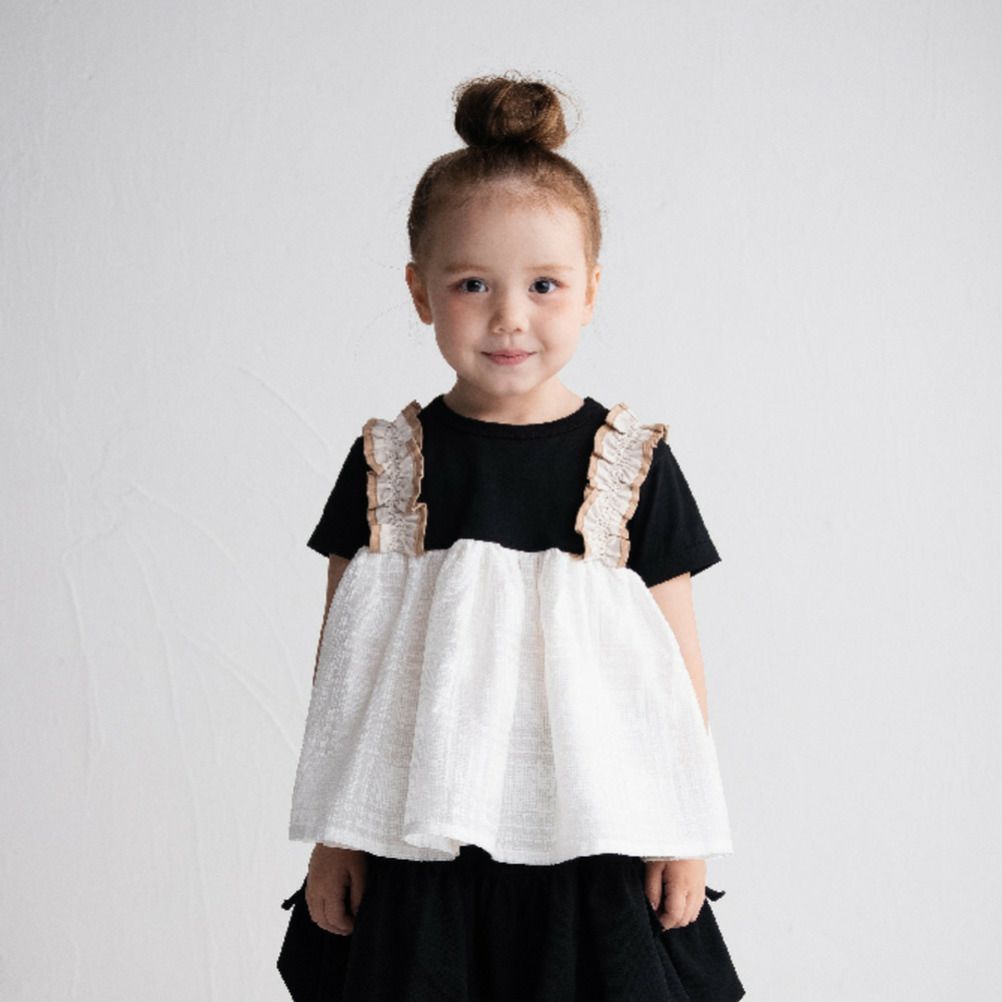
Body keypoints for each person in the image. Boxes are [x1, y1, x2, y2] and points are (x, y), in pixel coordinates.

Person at [281, 71, 746, 1001]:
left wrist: (683, 829)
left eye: (543, 284)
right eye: (472, 284)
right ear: (420, 291)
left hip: (592, 834)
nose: (509, 316)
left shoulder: (631, 465)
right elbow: (341, 675)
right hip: (419, 838)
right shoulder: (388, 465)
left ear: (591, 290)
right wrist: (336, 834)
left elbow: (676, 673)